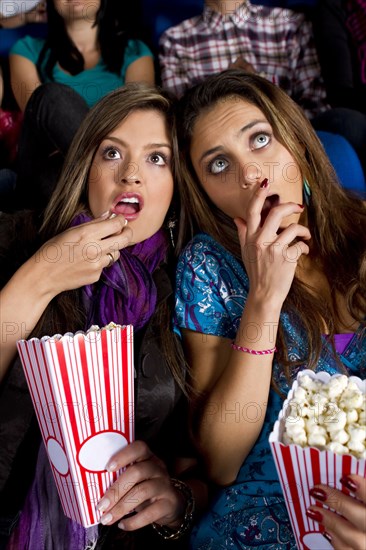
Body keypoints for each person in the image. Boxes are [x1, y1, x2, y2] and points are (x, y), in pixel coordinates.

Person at [0, 83, 207, 549]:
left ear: (175, 191)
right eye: (112, 153)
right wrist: (41, 276)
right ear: (86, 169)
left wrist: (176, 500)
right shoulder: (15, 241)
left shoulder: (191, 292)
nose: (131, 174)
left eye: (157, 159)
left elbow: (202, 468)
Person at [173, 69, 366, 549]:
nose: (250, 174)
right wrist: (263, 298)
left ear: (296, 141)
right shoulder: (208, 265)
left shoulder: (362, 230)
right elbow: (221, 462)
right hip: (255, 527)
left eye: (260, 140)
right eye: (219, 165)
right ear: (205, 192)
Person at [159, 0, 366, 179]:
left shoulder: (290, 24)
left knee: (347, 123)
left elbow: (315, 102)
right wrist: (225, 86)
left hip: (293, 131)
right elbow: (182, 125)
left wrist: (264, 93)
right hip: (223, 151)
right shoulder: (176, 40)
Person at [9, 0, 155, 212]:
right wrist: (25, 16)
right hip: (49, 171)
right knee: (50, 97)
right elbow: (36, 113)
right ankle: (103, 185)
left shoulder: (135, 52)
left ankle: (99, 194)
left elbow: (137, 122)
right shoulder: (26, 49)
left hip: (114, 164)